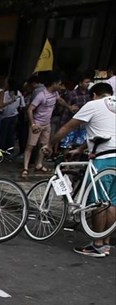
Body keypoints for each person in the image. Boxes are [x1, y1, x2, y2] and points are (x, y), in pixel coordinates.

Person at [45, 82, 116, 257]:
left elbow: (67, 127)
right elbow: (102, 131)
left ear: (94, 95)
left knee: (98, 202)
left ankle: (97, 245)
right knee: (112, 202)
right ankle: (105, 241)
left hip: (104, 159)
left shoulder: (93, 104)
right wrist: (81, 149)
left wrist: (50, 144)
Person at [22, 73, 65, 178]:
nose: (60, 86)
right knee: (30, 146)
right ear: (54, 84)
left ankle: (39, 164)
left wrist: (69, 107)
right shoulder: (42, 95)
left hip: (47, 124)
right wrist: (32, 124)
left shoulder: (55, 94)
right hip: (37, 123)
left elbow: (60, 101)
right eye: (59, 84)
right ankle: (25, 168)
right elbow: (30, 109)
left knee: (44, 146)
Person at [0, 78, 23, 151]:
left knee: (3, 134)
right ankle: (9, 150)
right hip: (14, 115)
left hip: (5, 116)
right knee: (11, 134)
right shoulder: (19, 93)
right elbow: (22, 105)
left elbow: (1, 104)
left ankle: (1, 150)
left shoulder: (5, 93)